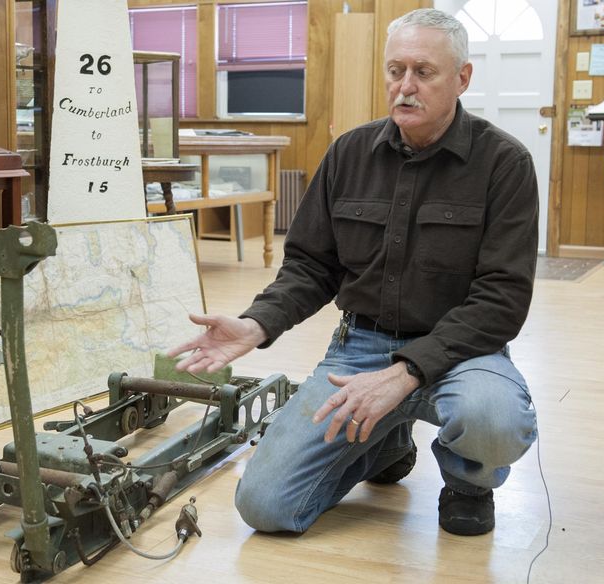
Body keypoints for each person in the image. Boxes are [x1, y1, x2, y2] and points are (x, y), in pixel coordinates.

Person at [168, 8, 538, 537]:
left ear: (462, 78)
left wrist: (406, 373)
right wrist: (257, 324)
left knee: (494, 420)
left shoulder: (504, 163)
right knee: (265, 507)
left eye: (424, 72)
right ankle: (385, 442)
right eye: (395, 70)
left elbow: (501, 299)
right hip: (361, 350)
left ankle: (468, 481)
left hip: (463, 354)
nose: (405, 86)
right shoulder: (348, 153)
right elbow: (311, 265)